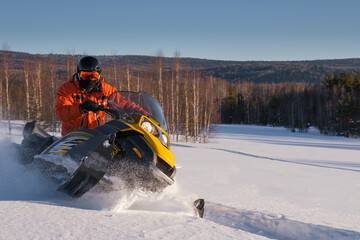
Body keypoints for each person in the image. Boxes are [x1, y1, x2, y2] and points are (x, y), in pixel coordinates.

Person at [55, 56, 117, 136]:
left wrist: (137, 112)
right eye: (85, 75)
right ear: (78, 73)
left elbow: (123, 103)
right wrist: (80, 108)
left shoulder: (107, 91)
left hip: (97, 136)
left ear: (99, 75)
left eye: (93, 76)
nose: (89, 79)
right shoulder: (67, 90)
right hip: (73, 137)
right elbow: (61, 113)